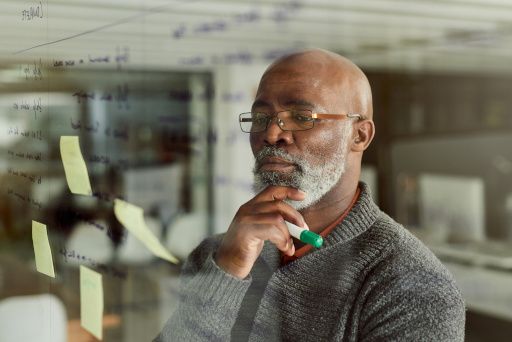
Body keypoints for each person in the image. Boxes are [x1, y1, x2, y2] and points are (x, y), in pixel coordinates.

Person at [155, 49, 465, 341]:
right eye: (261, 118)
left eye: (302, 117)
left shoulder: (412, 285)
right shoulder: (217, 255)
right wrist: (227, 272)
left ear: (359, 135)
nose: (272, 134)